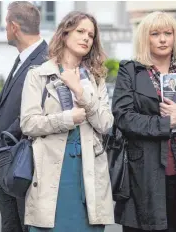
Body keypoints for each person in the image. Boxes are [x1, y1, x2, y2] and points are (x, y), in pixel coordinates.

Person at [112, 11, 176, 232]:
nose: (163, 39)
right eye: (155, 34)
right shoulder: (130, 71)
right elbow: (123, 117)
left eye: (168, 33)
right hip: (143, 175)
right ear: (145, 38)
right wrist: (167, 122)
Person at [20, 11, 114, 231]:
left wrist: (81, 92)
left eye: (91, 35)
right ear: (64, 34)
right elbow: (28, 123)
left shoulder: (96, 77)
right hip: (52, 169)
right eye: (80, 31)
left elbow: (106, 124)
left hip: (89, 171)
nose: (86, 38)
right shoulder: (38, 75)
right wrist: (66, 119)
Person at [0, 2, 47, 231]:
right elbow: (7, 107)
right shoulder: (23, 58)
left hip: (25, 165)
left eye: (5, 24)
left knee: (25, 225)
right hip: (7, 159)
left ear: (14, 27)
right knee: (10, 225)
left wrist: (1, 145)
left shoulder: (45, 60)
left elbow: (31, 110)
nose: (5, 29)